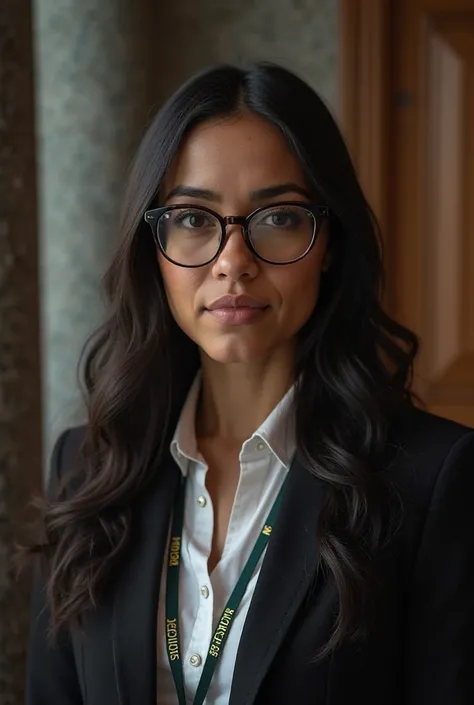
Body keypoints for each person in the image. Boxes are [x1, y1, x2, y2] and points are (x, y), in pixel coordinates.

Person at [25, 63, 474, 705]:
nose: (234, 261)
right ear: (152, 250)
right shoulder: (88, 469)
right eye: (193, 219)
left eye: (279, 217)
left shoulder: (433, 482)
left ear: (330, 244)